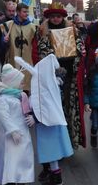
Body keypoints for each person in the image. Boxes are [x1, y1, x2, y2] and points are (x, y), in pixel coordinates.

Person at [15, 55, 73, 185]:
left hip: (48, 128)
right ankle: (51, 175)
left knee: (51, 155)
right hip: (49, 126)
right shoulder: (50, 86)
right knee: (50, 154)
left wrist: (35, 117)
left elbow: (45, 108)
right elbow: (37, 102)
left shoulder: (48, 89)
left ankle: (56, 180)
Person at [37, 2, 86, 149]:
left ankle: (70, 141)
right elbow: (42, 52)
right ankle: (57, 143)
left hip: (70, 74)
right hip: (53, 76)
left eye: (58, 16)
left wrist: (80, 51)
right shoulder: (43, 32)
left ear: (62, 17)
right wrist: (53, 64)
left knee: (70, 108)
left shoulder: (72, 30)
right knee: (56, 108)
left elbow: (79, 47)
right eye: (53, 16)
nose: (56, 19)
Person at [0, 3, 37, 90]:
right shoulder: (8, 26)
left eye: (27, 12)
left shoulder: (33, 27)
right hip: (13, 61)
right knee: (14, 86)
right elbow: (3, 45)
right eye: (24, 12)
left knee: (27, 86)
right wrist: (4, 41)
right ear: (18, 12)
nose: (26, 14)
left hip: (28, 61)